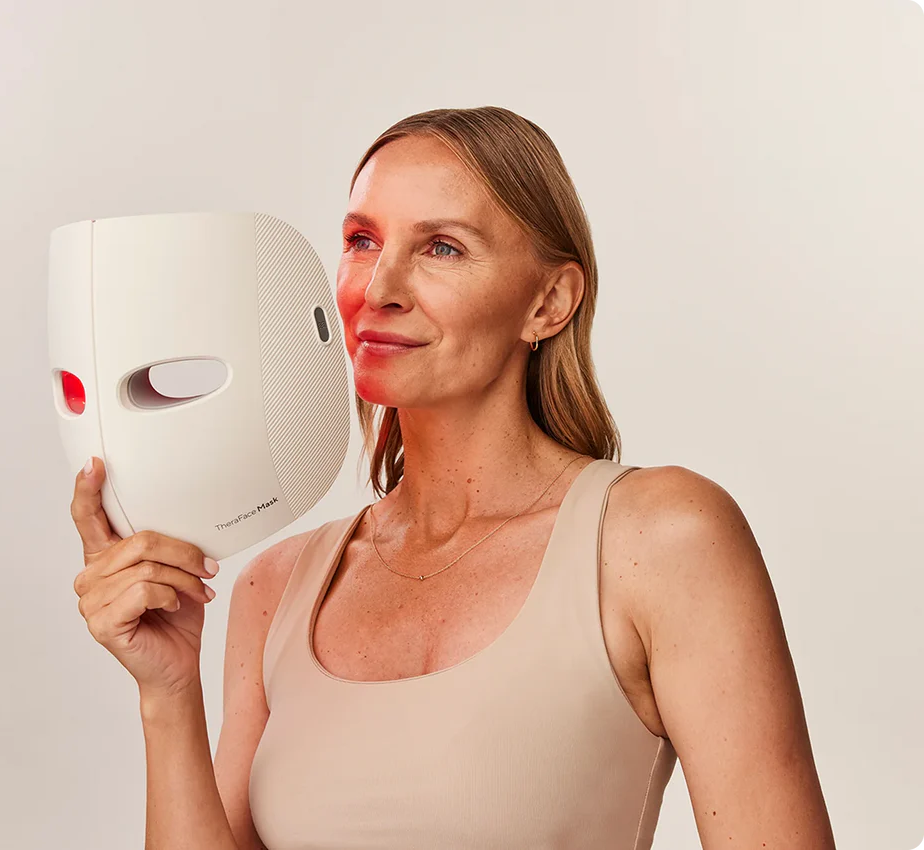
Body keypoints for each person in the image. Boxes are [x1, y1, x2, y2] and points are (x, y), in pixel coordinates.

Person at [70, 106, 836, 850]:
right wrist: (167, 692)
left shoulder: (659, 541)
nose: (378, 288)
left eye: (442, 248)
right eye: (362, 240)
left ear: (549, 301)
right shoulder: (277, 586)